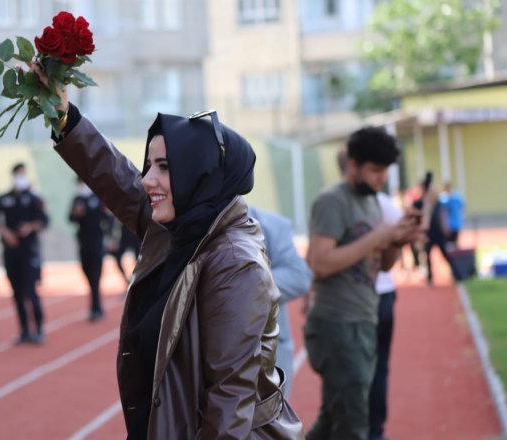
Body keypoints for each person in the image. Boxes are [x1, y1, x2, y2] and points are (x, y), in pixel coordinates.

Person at [47, 83, 301, 436]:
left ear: (200, 173)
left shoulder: (234, 263)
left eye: (164, 167)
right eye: (149, 164)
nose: (148, 178)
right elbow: (119, 180)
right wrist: (65, 119)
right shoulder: (183, 224)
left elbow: (229, 400)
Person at [305, 127, 419, 440]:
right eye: (375, 171)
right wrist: (378, 236)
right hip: (338, 325)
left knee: (331, 421)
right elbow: (320, 263)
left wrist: (397, 241)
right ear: (353, 164)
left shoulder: (371, 201)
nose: (381, 179)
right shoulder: (331, 201)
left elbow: (382, 265)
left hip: (363, 321)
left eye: (385, 172)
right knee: (354, 426)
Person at [249, 206, 313, 397]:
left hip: (267, 355)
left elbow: (299, 277)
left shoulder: (272, 225)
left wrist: (240, 286)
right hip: (203, 358)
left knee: (269, 423)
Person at [0, 163, 49, 345]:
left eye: (23, 174)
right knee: (16, 293)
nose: (20, 178)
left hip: (29, 251)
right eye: (17, 174)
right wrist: (4, 232)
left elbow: (44, 221)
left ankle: (38, 329)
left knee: (31, 291)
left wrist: (30, 227)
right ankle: (24, 330)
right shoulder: (4, 199)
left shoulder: (33, 199)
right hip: (10, 251)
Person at [370, 189, 403, 440]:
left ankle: (375, 431)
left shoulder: (382, 203)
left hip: (378, 294)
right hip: (368, 297)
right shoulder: (335, 202)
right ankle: (374, 431)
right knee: (373, 369)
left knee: (375, 368)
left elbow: (388, 262)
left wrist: (397, 240)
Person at [68, 176, 110, 321]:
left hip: (96, 243)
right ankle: (95, 304)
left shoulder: (97, 198)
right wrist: (76, 213)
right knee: (86, 271)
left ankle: (96, 307)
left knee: (96, 275)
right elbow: (70, 219)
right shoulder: (77, 199)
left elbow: (107, 218)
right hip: (83, 243)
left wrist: (109, 237)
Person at [106, 213, 141, 285]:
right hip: (123, 238)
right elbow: (114, 225)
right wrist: (114, 241)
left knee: (140, 258)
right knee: (116, 255)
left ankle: (137, 277)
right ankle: (128, 280)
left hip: (135, 236)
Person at [439, 182, 465, 246]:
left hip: (449, 225)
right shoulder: (456, 197)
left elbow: (443, 213)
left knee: (449, 245)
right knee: (454, 244)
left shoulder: (444, 199)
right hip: (456, 224)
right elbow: (462, 207)